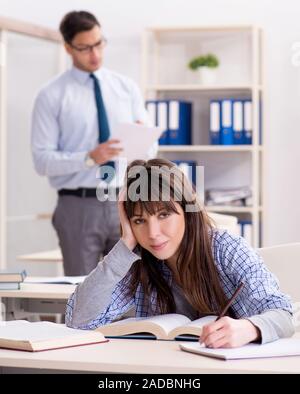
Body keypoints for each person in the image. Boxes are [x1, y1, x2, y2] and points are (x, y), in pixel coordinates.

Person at [65, 158, 294, 348]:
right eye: (139, 220)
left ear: (186, 210)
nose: (153, 233)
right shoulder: (136, 261)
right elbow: (78, 320)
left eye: (164, 215)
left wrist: (250, 328)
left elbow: (282, 316)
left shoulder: (227, 248)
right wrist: (125, 243)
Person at [31, 11, 152, 275]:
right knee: (82, 291)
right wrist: (89, 157)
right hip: (78, 207)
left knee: (132, 288)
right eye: (85, 48)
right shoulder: (52, 96)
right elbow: (42, 161)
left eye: (98, 44)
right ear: (68, 48)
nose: (95, 54)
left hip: (125, 198)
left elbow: (149, 149)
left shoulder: (125, 87)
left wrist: (143, 141)